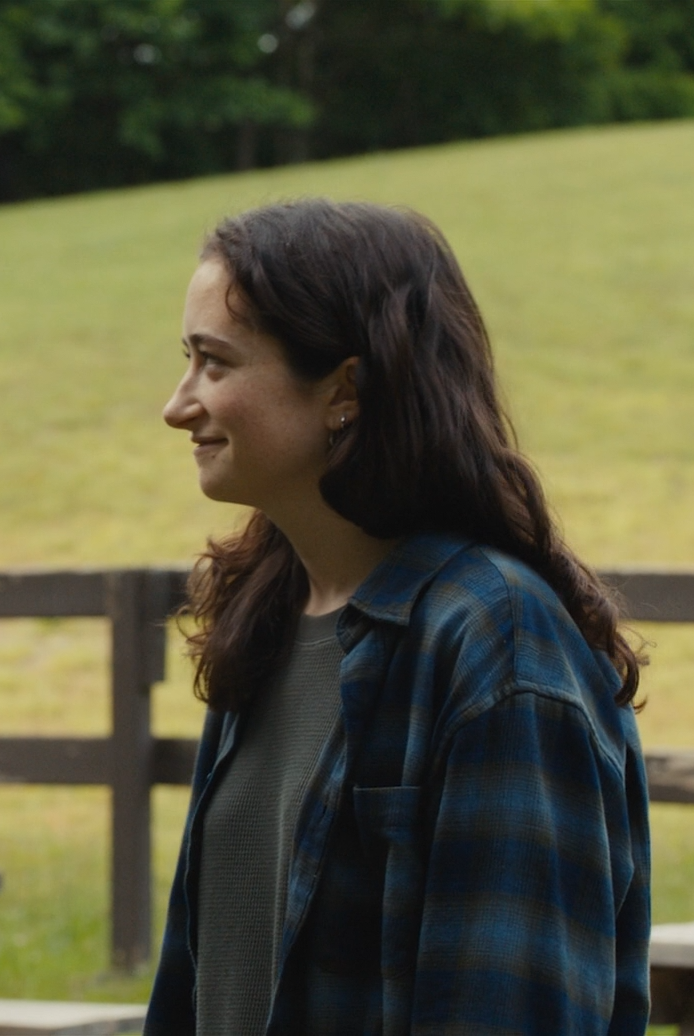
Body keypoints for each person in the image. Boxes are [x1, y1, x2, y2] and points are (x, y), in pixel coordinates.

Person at [147, 199, 650, 1035]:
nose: (178, 404)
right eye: (187, 361)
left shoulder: (498, 647)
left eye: (215, 363)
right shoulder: (267, 614)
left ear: (344, 388)